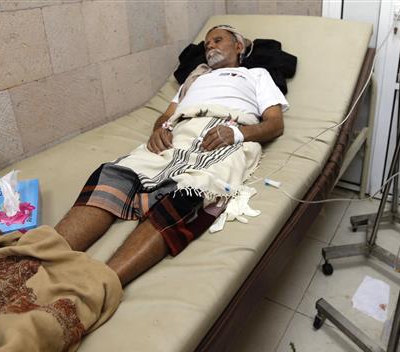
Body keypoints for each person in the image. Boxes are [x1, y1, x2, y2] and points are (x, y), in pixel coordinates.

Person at [55, 25, 289, 286]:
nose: (209, 46)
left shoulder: (256, 75)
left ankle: (100, 287)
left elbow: (275, 123)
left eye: (217, 40)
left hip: (227, 131)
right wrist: (160, 129)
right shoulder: (196, 77)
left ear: (238, 46)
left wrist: (239, 134)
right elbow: (167, 116)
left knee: (191, 192)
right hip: (181, 130)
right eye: (206, 43)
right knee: (116, 174)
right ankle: (41, 260)